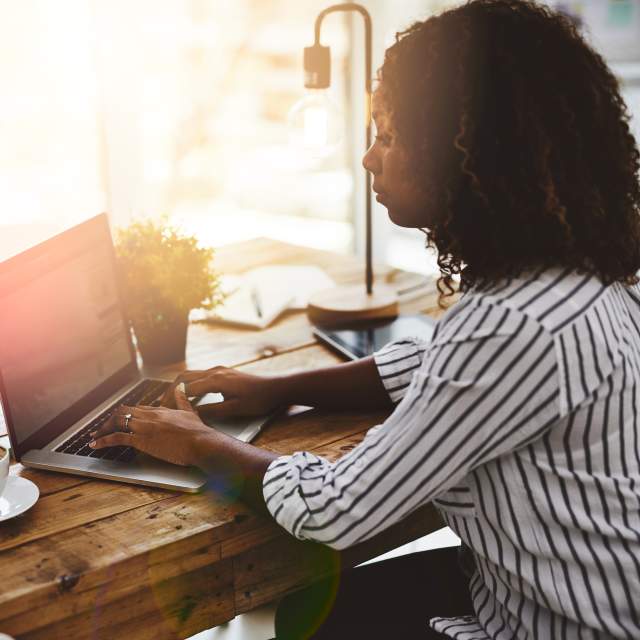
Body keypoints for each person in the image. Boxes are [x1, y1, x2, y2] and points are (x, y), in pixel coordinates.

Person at [90, 0, 640, 637]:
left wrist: (198, 445)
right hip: (579, 589)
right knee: (308, 608)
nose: (369, 158)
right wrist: (279, 388)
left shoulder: (511, 325)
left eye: (388, 134)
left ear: (467, 156)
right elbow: (436, 365)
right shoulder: (581, 275)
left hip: (560, 626)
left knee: (308, 615)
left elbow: (336, 509)